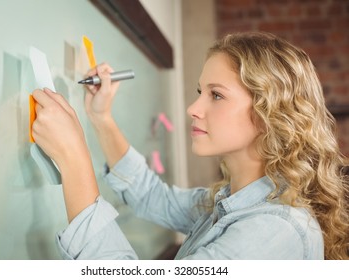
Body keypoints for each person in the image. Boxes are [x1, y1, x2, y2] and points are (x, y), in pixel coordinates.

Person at [32, 32, 349, 260]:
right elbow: (153, 197)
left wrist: (74, 157)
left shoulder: (275, 230)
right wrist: (101, 118)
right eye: (201, 91)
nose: (193, 108)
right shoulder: (234, 201)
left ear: (269, 114)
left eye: (216, 95)